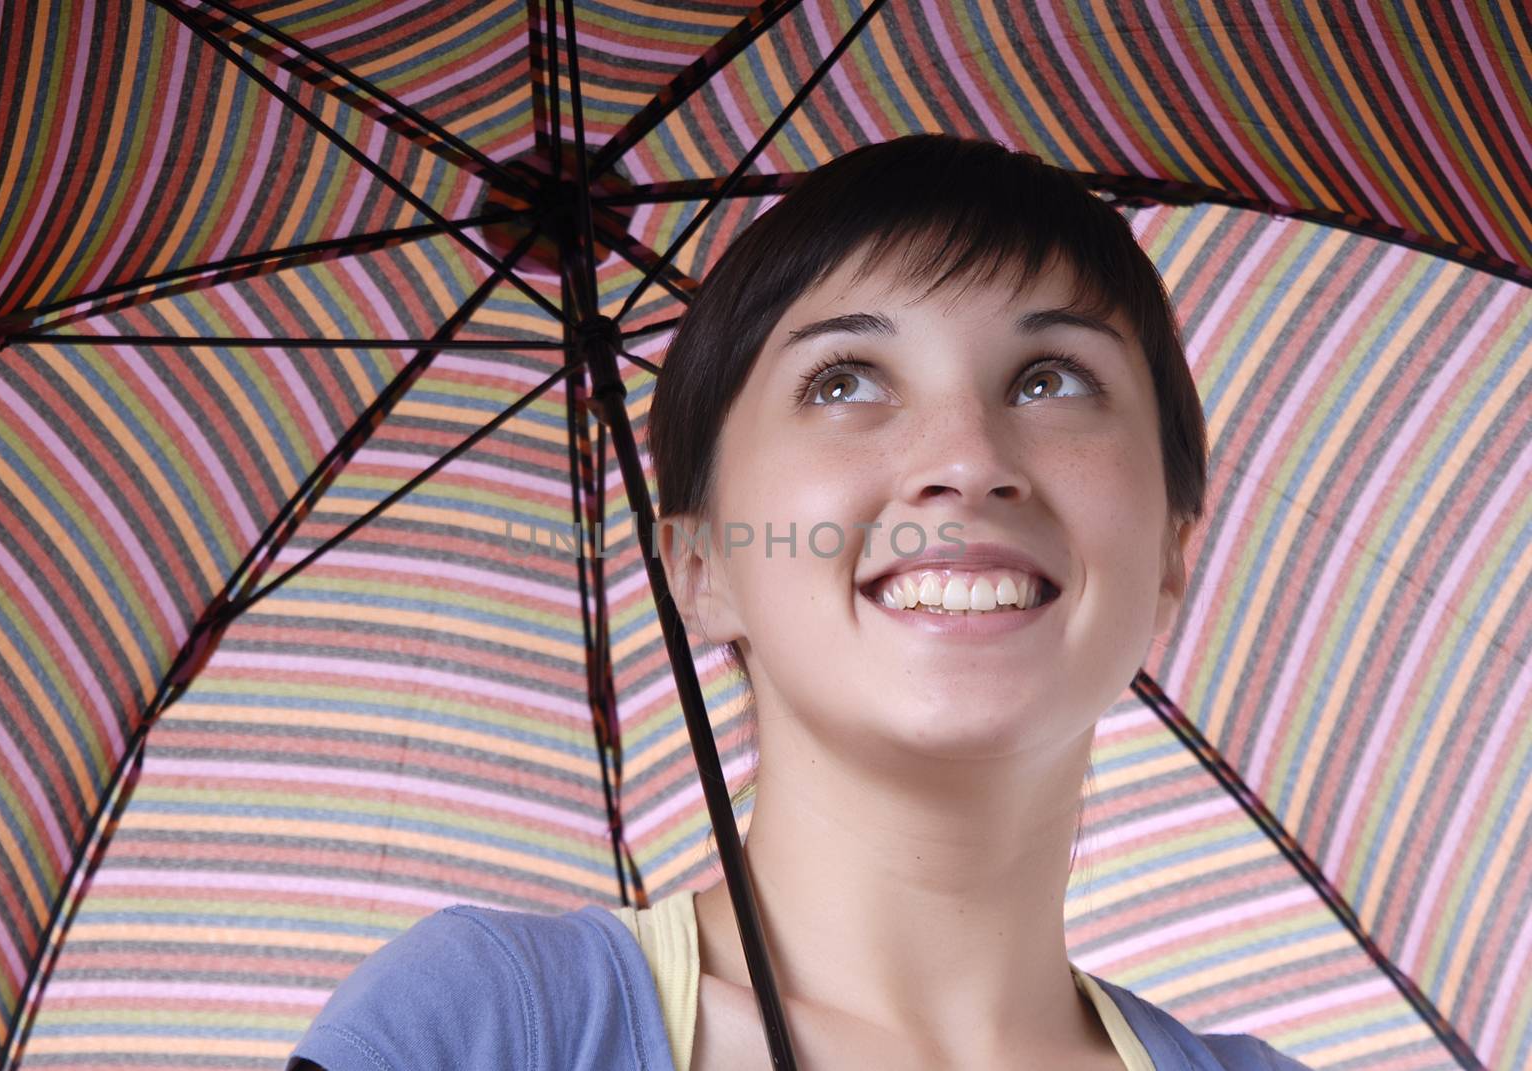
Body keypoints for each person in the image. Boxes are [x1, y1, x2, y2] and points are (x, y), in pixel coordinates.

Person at [285, 134, 1313, 1070]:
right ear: (699, 567)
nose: (966, 460)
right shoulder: (488, 1028)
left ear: (1173, 553)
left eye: (1050, 378)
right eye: (845, 380)